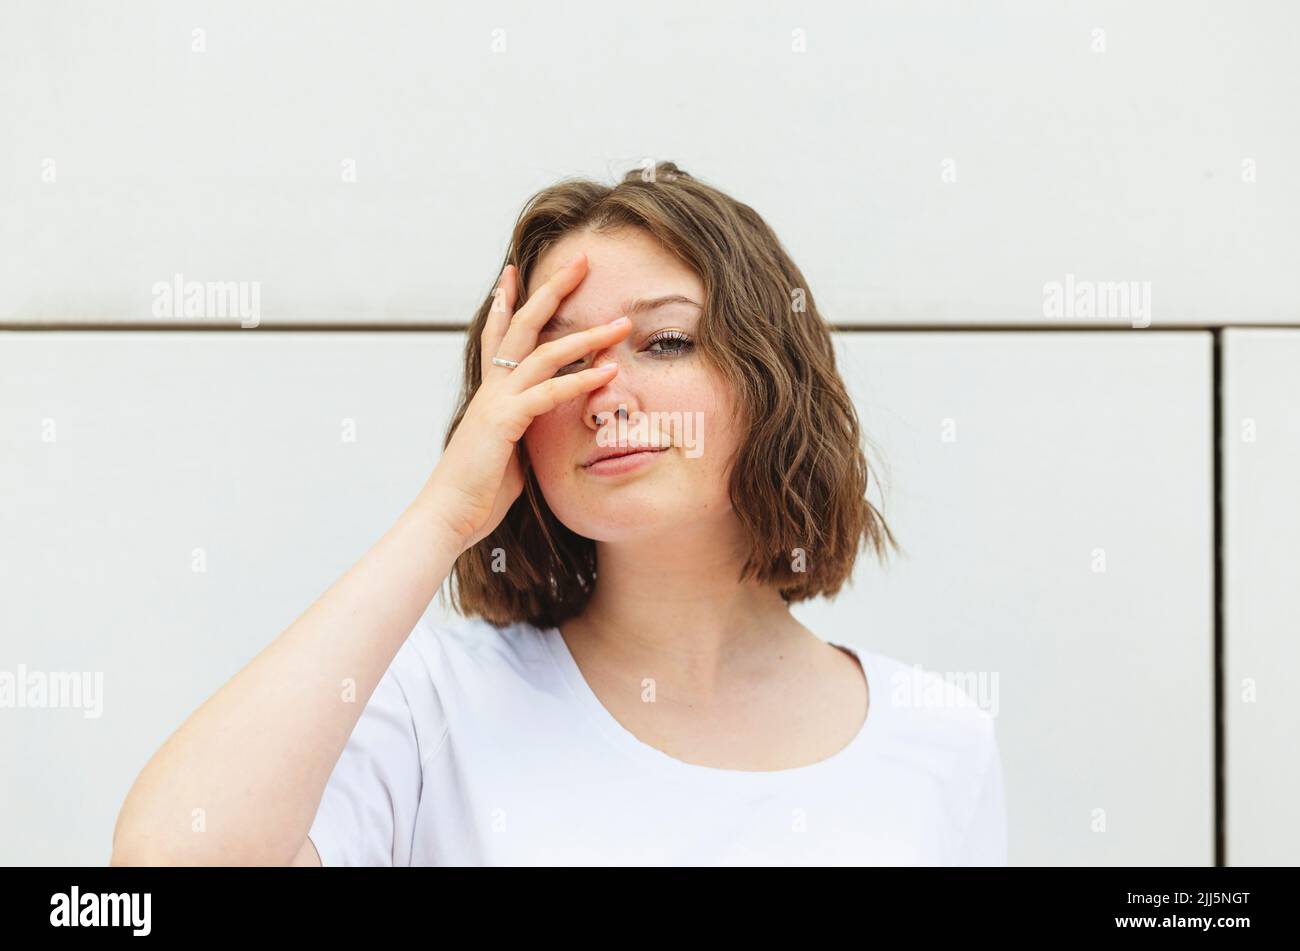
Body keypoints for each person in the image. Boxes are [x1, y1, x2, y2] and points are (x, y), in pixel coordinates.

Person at [109, 161, 1007, 866]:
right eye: (556, 356)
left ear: (771, 383)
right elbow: (171, 862)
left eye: (664, 341)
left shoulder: (938, 736)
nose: (605, 394)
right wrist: (441, 517)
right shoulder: (433, 704)